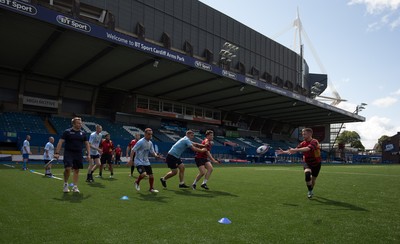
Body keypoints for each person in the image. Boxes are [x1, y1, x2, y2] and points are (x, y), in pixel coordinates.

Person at [275, 128, 321, 199]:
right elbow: (293, 150)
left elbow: (308, 148)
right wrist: (284, 152)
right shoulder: (302, 143)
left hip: (316, 163)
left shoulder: (314, 141)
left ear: (310, 134)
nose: (303, 135)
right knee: (307, 175)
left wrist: (295, 149)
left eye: (304, 134)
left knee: (313, 180)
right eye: (302, 134)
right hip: (307, 162)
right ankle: (309, 191)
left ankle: (311, 189)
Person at [54, 117, 91, 193]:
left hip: (78, 154)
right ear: (73, 124)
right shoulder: (67, 132)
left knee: (76, 170)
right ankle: (65, 184)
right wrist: (57, 153)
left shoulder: (83, 133)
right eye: (78, 123)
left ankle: (75, 186)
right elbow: (60, 142)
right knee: (68, 169)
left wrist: (88, 154)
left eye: (80, 123)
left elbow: (87, 144)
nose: (80, 124)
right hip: (69, 153)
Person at [128, 128, 161, 193]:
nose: (150, 136)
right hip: (138, 161)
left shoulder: (150, 143)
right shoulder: (140, 142)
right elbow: (133, 150)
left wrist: (156, 155)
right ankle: (137, 182)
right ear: (145, 134)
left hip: (146, 161)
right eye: (149, 134)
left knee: (151, 176)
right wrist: (131, 160)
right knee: (143, 174)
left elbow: (152, 152)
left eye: (151, 134)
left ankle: (151, 188)